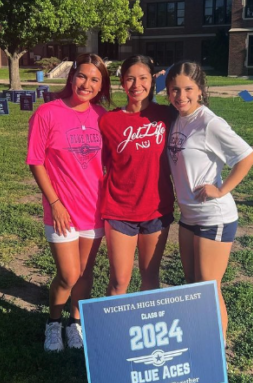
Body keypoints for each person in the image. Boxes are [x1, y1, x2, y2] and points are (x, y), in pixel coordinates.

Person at [165, 61, 253, 343]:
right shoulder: (179, 119)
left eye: (188, 89)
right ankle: (200, 343)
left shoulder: (209, 122)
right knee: (193, 286)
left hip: (213, 217)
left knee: (208, 287)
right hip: (189, 217)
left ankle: (216, 354)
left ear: (201, 90)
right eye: (175, 90)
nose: (181, 96)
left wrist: (222, 189)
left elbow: (247, 156)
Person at [26, 53, 111, 352]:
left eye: (95, 79)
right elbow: (36, 162)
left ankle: (75, 323)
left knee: (85, 274)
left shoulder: (103, 117)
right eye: (83, 76)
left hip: (94, 210)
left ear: (102, 86)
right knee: (68, 274)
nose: (86, 84)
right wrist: (55, 202)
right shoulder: (47, 113)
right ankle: (53, 324)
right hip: (61, 210)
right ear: (72, 76)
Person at [99, 55, 175, 296]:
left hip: (156, 208)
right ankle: (114, 332)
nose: (136, 85)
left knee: (150, 277)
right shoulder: (109, 121)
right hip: (120, 209)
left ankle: (145, 332)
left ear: (152, 81)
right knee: (119, 281)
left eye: (143, 78)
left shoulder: (167, 116)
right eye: (130, 79)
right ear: (122, 82)